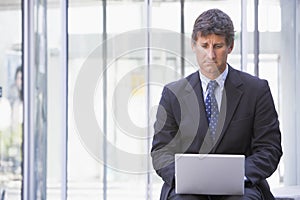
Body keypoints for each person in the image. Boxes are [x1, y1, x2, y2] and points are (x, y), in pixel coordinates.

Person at [151, 9, 282, 200]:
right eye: (204, 45)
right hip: (188, 189)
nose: (211, 55)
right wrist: (181, 177)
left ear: (230, 46)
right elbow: (161, 151)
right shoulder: (173, 94)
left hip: (243, 186)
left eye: (218, 46)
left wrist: (239, 176)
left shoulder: (256, 90)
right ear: (193, 45)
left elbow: (269, 148)